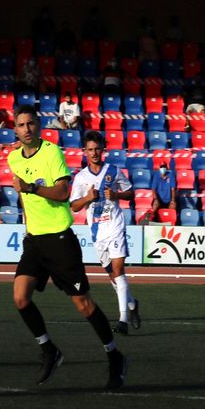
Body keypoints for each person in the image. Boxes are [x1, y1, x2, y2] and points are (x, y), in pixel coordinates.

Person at [7, 105, 127, 389]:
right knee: (20, 298)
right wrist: (27, 229)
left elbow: (62, 194)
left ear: (39, 126)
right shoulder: (13, 158)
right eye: (21, 125)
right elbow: (24, 200)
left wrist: (31, 188)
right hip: (34, 241)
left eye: (31, 124)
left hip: (60, 239)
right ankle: (50, 350)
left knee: (83, 304)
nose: (26, 129)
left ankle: (114, 356)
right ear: (15, 129)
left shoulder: (52, 153)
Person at [70, 131, 140, 334]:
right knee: (112, 277)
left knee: (119, 272)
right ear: (85, 152)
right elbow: (74, 206)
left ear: (103, 150)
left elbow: (131, 193)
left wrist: (117, 194)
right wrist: (87, 199)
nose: (94, 153)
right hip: (97, 232)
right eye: (90, 149)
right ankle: (133, 304)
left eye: (97, 149)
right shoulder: (81, 177)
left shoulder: (113, 171)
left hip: (115, 226)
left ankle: (123, 320)